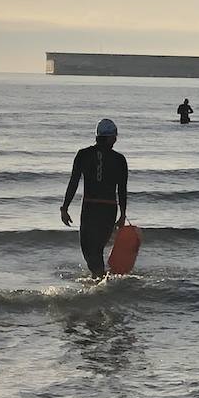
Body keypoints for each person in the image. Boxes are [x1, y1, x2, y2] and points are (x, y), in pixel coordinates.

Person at [60, 118, 128, 280]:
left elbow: (73, 182)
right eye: (115, 136)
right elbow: (122, 190)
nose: (116, 140)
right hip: (109, 209)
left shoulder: (84, 155)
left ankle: (100, 283)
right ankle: (101, 281)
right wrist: (123, 214)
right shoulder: (119, 159)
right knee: (97, 250)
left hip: (90, 208)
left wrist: (65, 207)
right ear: (111, 137)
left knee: (90, 251)